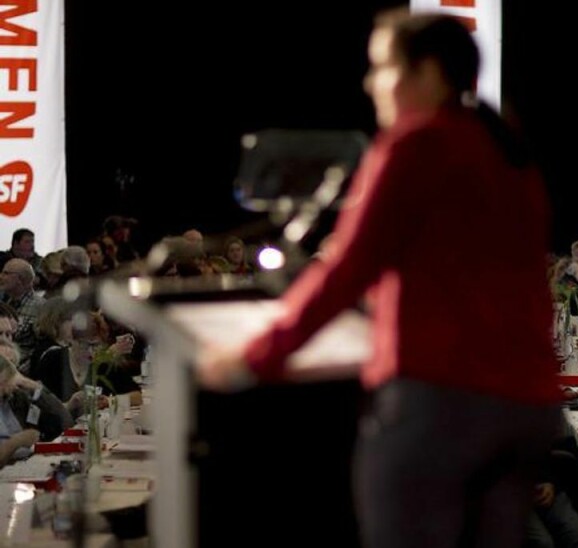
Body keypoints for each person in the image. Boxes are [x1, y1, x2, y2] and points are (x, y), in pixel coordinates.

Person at [197, 11, 559, 548]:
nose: (370, 84)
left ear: (429, 72)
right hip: (526, 411)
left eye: (382, 67)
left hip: (442, 406)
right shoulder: (510, 154)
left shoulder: (416, 144)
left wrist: (252, 358)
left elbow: (345, 271)